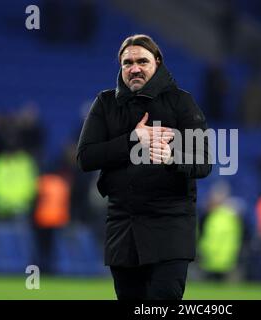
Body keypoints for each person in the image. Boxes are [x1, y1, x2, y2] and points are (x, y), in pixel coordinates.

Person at [76, 34, 212, 300]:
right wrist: (133, 140)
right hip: (123, 227)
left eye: (142, 61)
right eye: (127, 63)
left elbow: (203, 162)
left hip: (170, 227)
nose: (134, 68)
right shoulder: (105, 103)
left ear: (157, 62)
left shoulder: (181, 102)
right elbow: (86, 158)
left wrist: (171, 155)